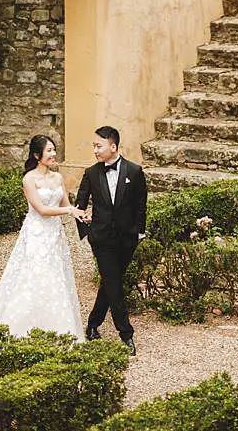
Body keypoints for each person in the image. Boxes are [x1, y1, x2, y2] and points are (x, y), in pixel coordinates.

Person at [0, 135, 87, 339]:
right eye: (49, 151)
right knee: (34, 276)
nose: (53, 154)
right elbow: (42, 210)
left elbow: (64, 204)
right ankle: (25, 325)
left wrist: (80, 215)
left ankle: (59, 328)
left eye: (54, 150)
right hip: (37, 234)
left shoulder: (58, 178)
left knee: (56, 277)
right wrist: (70, 210)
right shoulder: (29, 179)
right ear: (37, 155)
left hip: (55, 235)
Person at [74, 125, 148, 356]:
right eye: (94, 146)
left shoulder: (135, 171)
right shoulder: (91, 173)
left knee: (109, 283)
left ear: (113, 146)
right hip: (102, 240)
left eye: (99, 145)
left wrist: (139, 233)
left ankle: (93, 324)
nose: (95, 150)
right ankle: (126, 333)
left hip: (127, 240)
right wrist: (87, 229)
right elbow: (80, 205)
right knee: (114, 285)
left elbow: (140, 205)